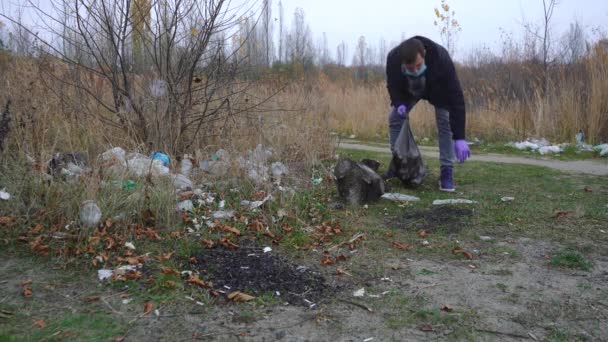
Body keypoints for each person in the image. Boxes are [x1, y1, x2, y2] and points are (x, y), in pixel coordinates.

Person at [385, 36, 470, 192]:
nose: (416, 71)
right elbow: (393, 85)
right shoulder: (393, 59)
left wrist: (460, 137)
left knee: (445, 121)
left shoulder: (441, 59)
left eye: (418, 65)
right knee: (395, 118)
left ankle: (446, 171)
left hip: (438, 91)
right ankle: (399, 163)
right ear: (402, 63)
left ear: (424, 54)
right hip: (411, 89)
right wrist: (399, 103)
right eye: (411, 68)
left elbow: (456, 99)